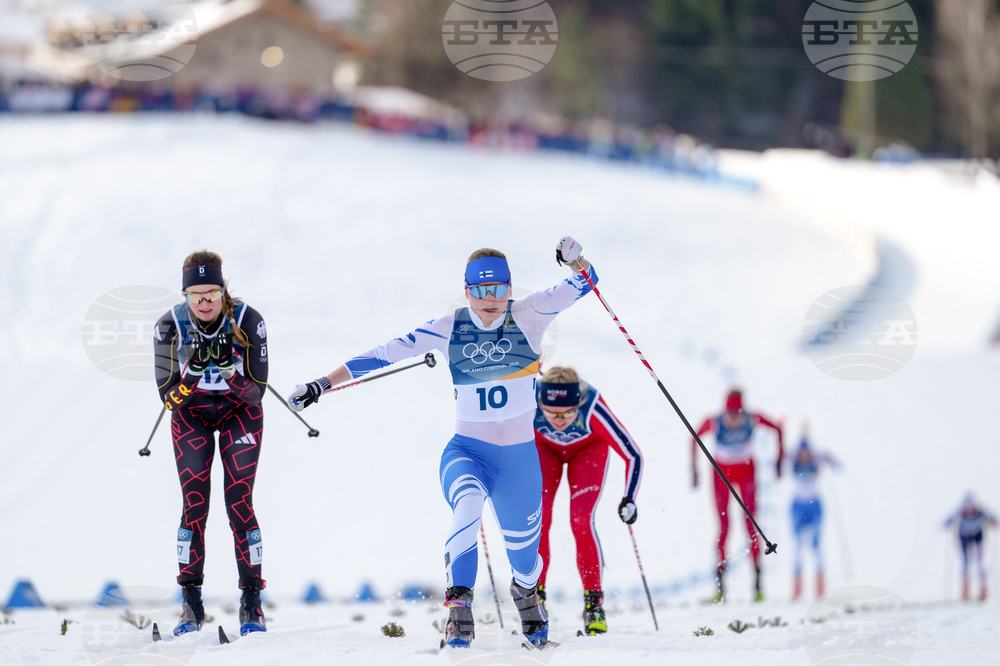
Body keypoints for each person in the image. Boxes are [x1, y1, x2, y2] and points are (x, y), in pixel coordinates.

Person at [288, 237, 596, 649]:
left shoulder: (532, 313)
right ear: (466, 291)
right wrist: (323, 383)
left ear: (510, 288)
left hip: (519, 463)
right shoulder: (450, 327)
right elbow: (384, 354)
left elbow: (588, 281)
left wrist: (576, 261)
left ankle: (525, 593)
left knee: (525, 561)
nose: (490, 299)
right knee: (466, 509)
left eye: (499, 290)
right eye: (480, 291)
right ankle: (459, 611)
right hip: (467, 452)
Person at [153, 251, 269, 637]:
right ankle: (190, 601)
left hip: (240, 412)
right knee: (194, 503)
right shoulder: (168, 325)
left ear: (223, 290)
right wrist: (194, 374)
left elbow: (258, 393)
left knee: (239, 502)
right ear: (185, 295)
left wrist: (227, 373)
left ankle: (252, 602)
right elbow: (169, 399)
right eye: (195, 295)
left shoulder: (249, 320)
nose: (204, 303)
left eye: (212, 294)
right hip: (192, 414)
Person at [532, 366, 643, 636]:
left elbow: (633, 454)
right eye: (550, 413)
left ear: (578, 404)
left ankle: (594, 605)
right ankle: (536, 599)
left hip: (588, 450)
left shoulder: (593, 407)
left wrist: (629, 497)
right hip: (545, 448)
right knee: (540, 518)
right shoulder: (526, 398)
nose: (559, 420)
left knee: (581, 519)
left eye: (567, 413)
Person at [691, 387, 783, 602]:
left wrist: (780, 459)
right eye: (731, 414)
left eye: (737, 414)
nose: (734, 419)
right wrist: (693, 469)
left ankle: (758, 585)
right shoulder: (714, 421)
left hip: (746, 471)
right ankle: (721, 586)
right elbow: (693, 437)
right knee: (724, 527)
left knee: (751, 525)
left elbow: (778, 429)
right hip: (721, 472)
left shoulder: (752, 418)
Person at [786, 425, 840, 600]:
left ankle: (820, 587)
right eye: (801, 453)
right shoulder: (792, 461)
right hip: (797, 507)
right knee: (798, 547)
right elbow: (777, 462)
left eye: (806, 453)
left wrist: (829, 458)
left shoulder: (816, 461)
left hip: (814, 506)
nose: (804, 457)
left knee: (816, 546)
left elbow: (838, 466)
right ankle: (797, 589)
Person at [943, 494, 998, 602]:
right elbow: (947, 520)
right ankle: (965, 589)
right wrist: (947, 524)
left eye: (971, 507)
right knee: (965, 562)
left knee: (980, 562)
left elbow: (992, 517)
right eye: (966, 508)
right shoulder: (958, 512)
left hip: (978, 537)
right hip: (963, 537)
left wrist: (994, 523)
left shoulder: (981, 511)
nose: (969, 511)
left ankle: (983, 589)